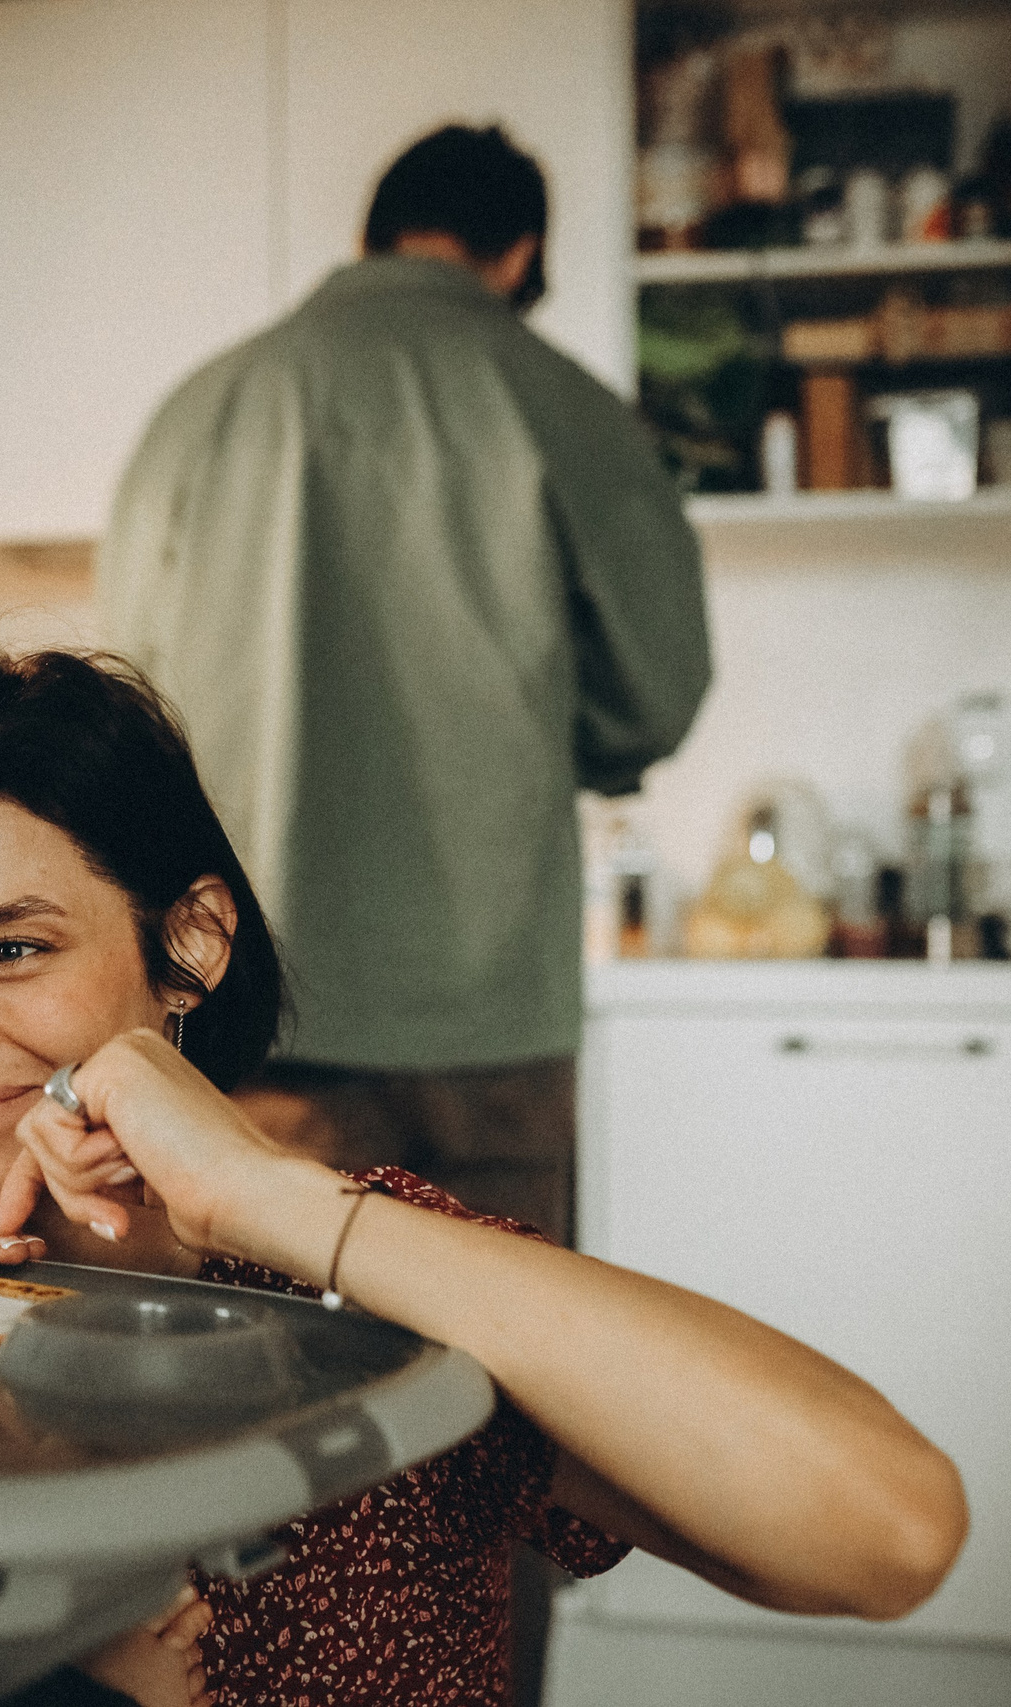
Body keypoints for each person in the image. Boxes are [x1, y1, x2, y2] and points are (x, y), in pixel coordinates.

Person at [0, 652, 966, 1707]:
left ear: (192, 943)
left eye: (11, 949)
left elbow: (885, 1532)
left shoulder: (381, 1278)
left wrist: (263, 1196)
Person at [95, 124, 713, 1693]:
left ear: (379, 229)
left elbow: (123, 733)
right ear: (516, 255)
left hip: (241, 1034)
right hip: (486, 1021)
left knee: (250, 1442)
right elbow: (652, 699)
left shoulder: (203, 410)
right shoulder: (563, 403)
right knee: (515, 1433)